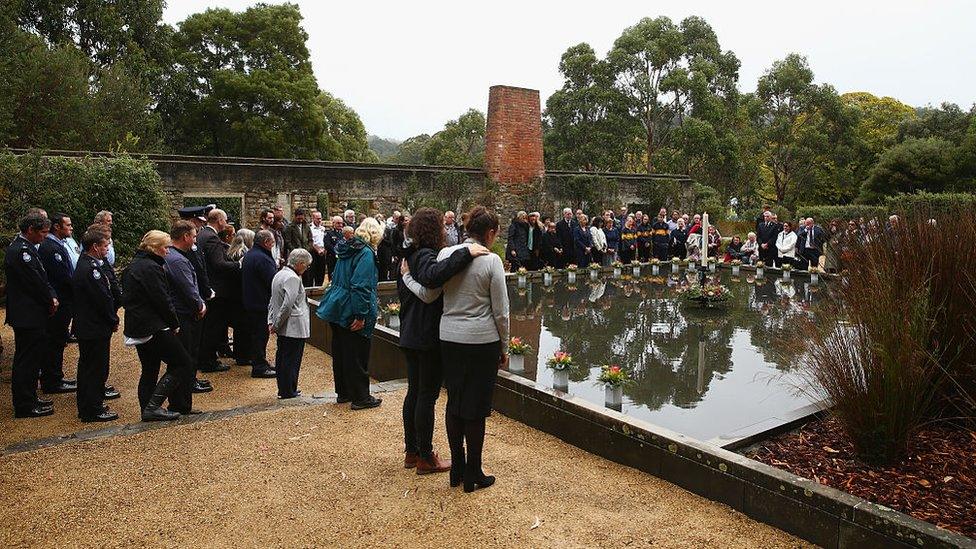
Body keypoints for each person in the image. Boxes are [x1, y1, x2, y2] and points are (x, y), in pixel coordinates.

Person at [396, 207, 486, 474]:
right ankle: (424, 456)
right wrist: (466, 252)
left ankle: (412, 451)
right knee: (426, 395)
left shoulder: (409, 255)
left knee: (415, 392)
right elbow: (434, 279)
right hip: (425, 336)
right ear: (434, 230)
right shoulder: (423, 255)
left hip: (412, 332)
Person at [436, 206, 509, 492]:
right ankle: (473, 471)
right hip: (481, 340)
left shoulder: (445, 255)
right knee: (476, 408)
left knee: (454, 401)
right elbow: (501, 311)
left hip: (450, 337)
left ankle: (457, 467)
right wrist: (504, 345)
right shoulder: (492, 261)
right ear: (490, 233)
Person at [122, 230, 192, 421]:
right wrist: (174, 323)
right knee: (182, 362)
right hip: (152, 325)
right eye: (165, 247)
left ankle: (147, 408)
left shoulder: (134, 265)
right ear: (155, 248)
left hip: (138, 324)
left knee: (150, 368)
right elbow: (162, 299)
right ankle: (153, 406)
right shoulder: (151, 268)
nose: (168, 252)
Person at [316, 218, 384, 410]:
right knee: (357, 353)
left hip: (336, 305)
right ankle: (361, 397)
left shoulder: (347, 248)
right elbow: (361, 286)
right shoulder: (365, 253)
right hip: (349, 308)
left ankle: (344, 392)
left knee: (341, 352)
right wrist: (361, 315)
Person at [6, 213, 58, 417]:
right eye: (43, 233)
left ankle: (30, 397)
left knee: (32, 358)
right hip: (27, 314)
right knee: (26, 360)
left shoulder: (27, 248)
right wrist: (49, 299)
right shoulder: (21, 251)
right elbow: (34, 282)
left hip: (32, 313)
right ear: (30, 230)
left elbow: (41, 277)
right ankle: (24, 404)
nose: (45, 237)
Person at [72, 226, 120, 422]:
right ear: (95, 247)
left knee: (90, 367)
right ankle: (92, 408)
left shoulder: (89, 264)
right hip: (93, 327)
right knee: (94, 368)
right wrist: (113, 319)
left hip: (90, 326)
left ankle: (90, 404)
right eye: (105, 245)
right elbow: (101, 299)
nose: (107, 248)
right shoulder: (90, 268)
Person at [164, 220, 209, 414]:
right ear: (185, 237)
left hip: (182, 312)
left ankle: (182, 401)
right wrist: (199, 304)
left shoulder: (173, 256)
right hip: (184, 315)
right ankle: (180, 403)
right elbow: (188, 288)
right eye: (194, 236)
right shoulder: (178, 260)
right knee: (185, 358)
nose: (195, 239)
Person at [37, 213, 78, 395]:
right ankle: (52, 381)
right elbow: (61, 276)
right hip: (59, 300)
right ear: (57, 227)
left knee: (59, 340)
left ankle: (56, 376)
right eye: (67, 225)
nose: (71, 228)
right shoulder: (50, 247)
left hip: (64, 299)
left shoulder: (57, 244)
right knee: (54, 340)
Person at [196, 209, 241, 374]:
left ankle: (205, 358)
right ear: (220, 220)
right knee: (213, 327)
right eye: (225, 219)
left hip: (210, 286)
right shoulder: (211, 238)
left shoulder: (203, 234)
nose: (226, 222)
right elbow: (218, 264)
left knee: (209, 326)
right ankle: (208, 361)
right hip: (217, 289)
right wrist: (239, 265)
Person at [269, 249, 312, 399]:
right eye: (306, 265)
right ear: (300, 264)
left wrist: (272, 321)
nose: (306, 269)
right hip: (293, 325)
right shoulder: (292, 278)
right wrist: (276, 323)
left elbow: (272, 301)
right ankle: (288, 389)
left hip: (285, 325)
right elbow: (287, 305)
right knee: (291, 359)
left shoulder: (279, 274)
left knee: (283, 357)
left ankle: (285, 388)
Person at [241, 230, 279, 379]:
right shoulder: (262, 258)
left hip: (251, 300)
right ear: (266, 243)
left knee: (257, 334)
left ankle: (260, 361)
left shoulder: (250, 254)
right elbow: (272, 281)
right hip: (260, 302)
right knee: (260, 335)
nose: (273, 245)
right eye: (272, 243)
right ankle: (259, 366)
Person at [226, 228, 254, 367]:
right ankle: (244, 355)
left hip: (233, 293)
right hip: (241, 294)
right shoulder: (243, 253)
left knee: (239, 326)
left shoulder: (232, 251)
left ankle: (239, 353)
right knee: (244, 325)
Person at [283, 208, 313, 285]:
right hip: (295, 256)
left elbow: (310, 239)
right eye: (299, 218)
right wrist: (296, 252)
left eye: (302, 217)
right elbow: (288, 241)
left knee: (307, 276)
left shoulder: (306, 226)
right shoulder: (289, 227)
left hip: (306, 254)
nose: (300, 219)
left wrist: (307, 250)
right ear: (295, 217)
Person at [309, 211, 328, 286]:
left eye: (320, 218)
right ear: (313, 218)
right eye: (317, 219)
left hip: (322, 252)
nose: (319, 220)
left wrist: (324, 249)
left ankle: (319, 287)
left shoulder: (323, 228)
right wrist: (317, 250)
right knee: (311, 272)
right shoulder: (310, 228)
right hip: (313, 252)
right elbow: (310, 241)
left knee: (321, 272)